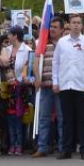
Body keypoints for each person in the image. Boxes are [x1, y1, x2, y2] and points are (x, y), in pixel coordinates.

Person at [52, 14, 84, 160]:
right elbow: (56, 63)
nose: (76, 25)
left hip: (81, 86)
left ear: (82, 25)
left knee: (83, 119)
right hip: (65, 85)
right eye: (74, 22)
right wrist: (55, 81)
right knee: (66, 120)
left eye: (79, 23)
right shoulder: (62, 43)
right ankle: (66, 149)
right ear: (69, 25)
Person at [32, 17, 64, 158]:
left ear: (62, 29)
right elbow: (36, 61)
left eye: (55, 27)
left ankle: (63, 147)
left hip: (61, 87)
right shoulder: (43, 43)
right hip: (45, 86)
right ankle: (42, 147)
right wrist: (37, 79)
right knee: (44, 118)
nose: (52, 29)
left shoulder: (65, 44)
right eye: (51, 26)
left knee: (62, 119)